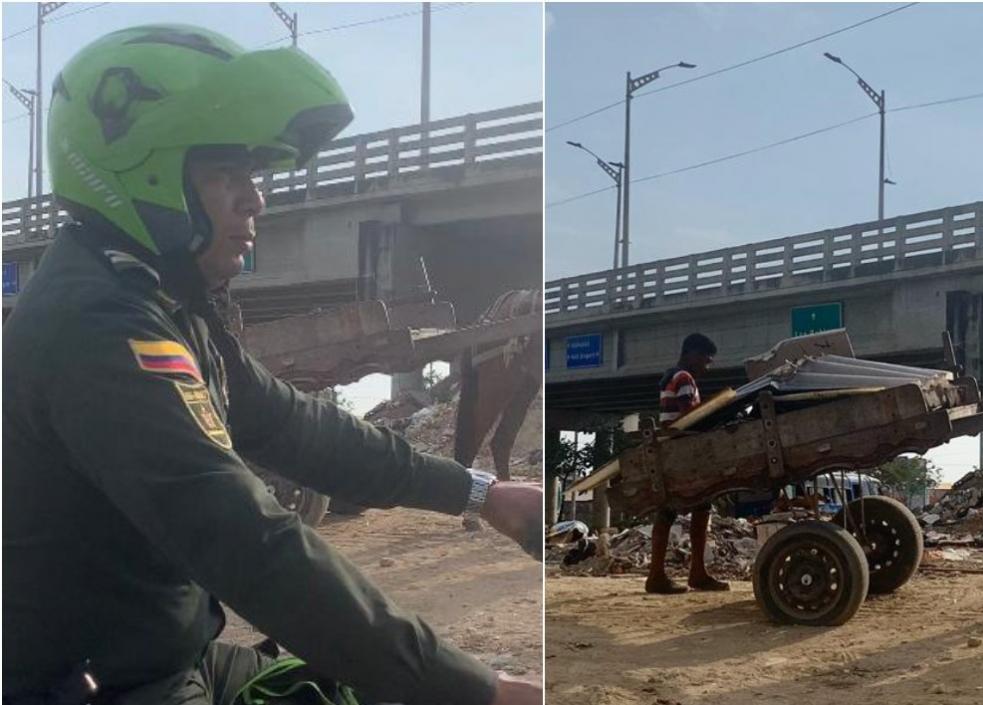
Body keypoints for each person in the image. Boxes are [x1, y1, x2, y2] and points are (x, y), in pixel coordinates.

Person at [2, 26, 542, 705]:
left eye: (252, 175)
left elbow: (298, 427)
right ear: (140, 171)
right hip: (97, 687)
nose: (255, 199)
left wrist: (481, 493)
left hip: (167, 660)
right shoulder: (95, 329)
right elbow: (251, 544)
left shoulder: (162, 301)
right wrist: (475, 688)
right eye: (226, 174)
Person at [644, 333, 730, 595]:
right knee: (688, 507)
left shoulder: (673, 375)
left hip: (673, 450)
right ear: (692, 354)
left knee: (684, 508)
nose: (706, 366)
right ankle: (674, 574)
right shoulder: (684, 378)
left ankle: (681, 573)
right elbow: (688, 417)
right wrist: (717, 410)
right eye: (706, 359)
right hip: (684, 451)